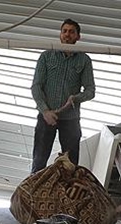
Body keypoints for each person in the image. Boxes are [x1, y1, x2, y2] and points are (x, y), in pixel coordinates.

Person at [30, 18, 96, 173]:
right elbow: (36, 86)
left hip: (70, 119)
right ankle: (33, 194)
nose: (67, 35)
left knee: (71, 164)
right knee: (39, 160)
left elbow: (90, 90)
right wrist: (45, 111)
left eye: (71, 32)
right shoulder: (46, 56)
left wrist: (76, 98)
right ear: (60, 34)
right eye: (64, 31)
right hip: (46, 117)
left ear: (78, 37)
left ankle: (67, 194)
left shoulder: (84, 60)